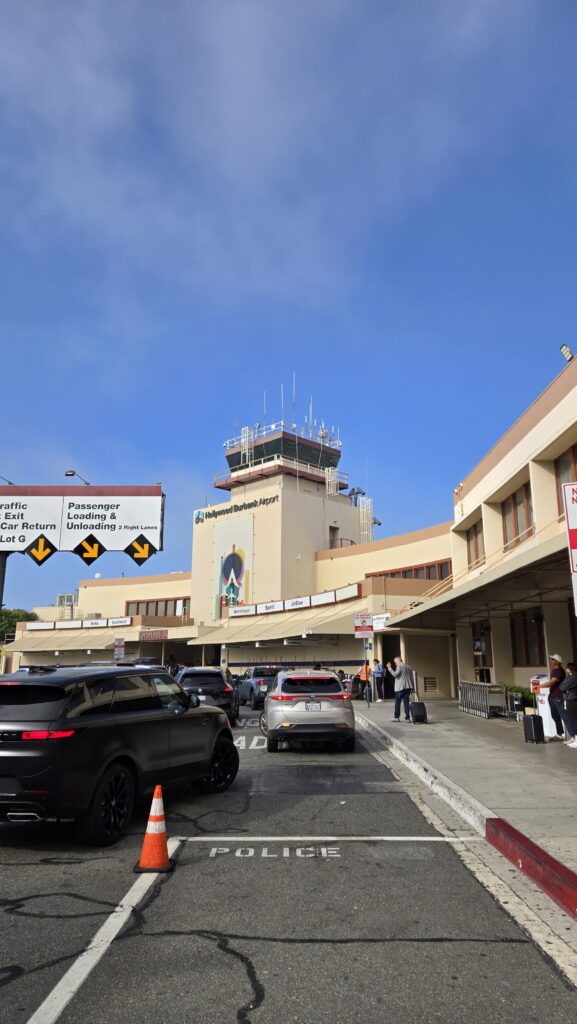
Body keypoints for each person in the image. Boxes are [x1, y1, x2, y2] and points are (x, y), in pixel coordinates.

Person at [539, 654, 567, 739]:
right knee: (554, 715)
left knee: (562, 715)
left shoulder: (559, 671)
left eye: (553, 659)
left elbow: (551, 682)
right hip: (552, 696)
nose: (551, 661)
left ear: (557, 661)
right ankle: (560, 734)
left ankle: (570, 734)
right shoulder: (554, 670)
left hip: (558, 696)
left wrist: (539, 686)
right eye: (551, 659)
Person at [386, 656, 415, 722]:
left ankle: (396, 717)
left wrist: (390, 668)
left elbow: (395, 675)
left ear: (399, 660)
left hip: (400, 688)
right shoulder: (408, 667)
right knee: (406, 703)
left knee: (397, 703)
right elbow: (411, 677)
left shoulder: (400, 666)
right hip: (408, 687)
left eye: (396, 663)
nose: (396, 664)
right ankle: (407, 718)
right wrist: (412, 687)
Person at [561, 663, 577, 748]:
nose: (566, 670)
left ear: (569, 669)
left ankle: (576, 741)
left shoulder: (572, 678)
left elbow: (562, 687)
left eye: (566, 668)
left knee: (574, 721)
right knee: (574, 720)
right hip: (573, 700)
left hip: (572, 701)